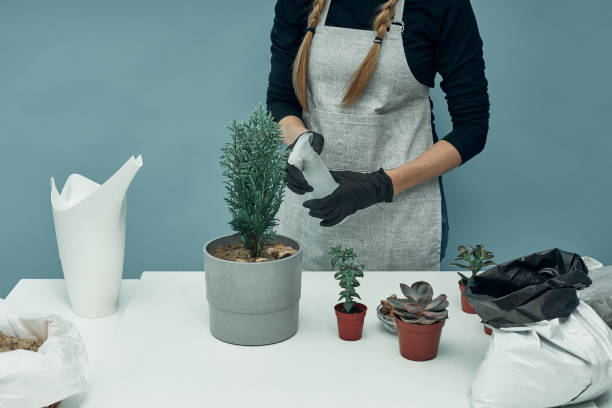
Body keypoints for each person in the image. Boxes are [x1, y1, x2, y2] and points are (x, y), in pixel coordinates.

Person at [267, 0, 489, 270]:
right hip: (311, 215)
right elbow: (280, 100)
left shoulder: (441, 6)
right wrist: (300, 142)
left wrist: (380, 186)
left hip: (403, 217)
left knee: (400, 311)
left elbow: (472, 128)